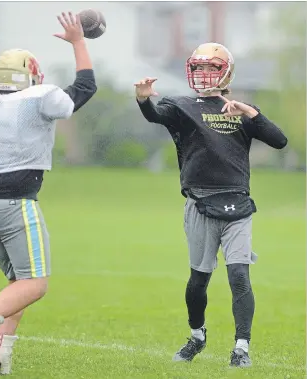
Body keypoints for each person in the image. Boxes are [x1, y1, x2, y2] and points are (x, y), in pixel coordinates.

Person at [0, 8, 97, 375]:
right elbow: (85, 88)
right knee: (36, 283)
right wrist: (79, 42)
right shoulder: (37, 98)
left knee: (19, 281)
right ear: (31, 77)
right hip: (16, 204)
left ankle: (3, 353)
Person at [135, 42, 287, 367]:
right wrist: (143, 98)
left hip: (237, 205)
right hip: (199, 203)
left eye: (211, 68)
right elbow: (154, 115)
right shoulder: (181, 106)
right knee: (198, 281)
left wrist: (250, 111)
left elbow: (279, 140)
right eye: (199, 68)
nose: (204, 74)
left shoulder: (241, 110)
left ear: (226, 72)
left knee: (239, 277)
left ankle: (241, 348)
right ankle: (197, 336)